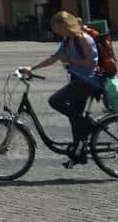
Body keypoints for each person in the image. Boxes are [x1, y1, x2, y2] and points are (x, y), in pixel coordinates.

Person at [30, 10, 105, 165]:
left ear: (64, 25)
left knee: (55, 101)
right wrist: (31, 68)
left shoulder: (82, 39)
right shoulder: (67, 40)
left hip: (88, 82)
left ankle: (89, 124)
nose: (55, 32)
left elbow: (92, 63)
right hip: (78, 80)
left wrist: (70, 60)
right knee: (75, 117)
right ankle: (79, 154)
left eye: (56, 28)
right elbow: (53, 58)